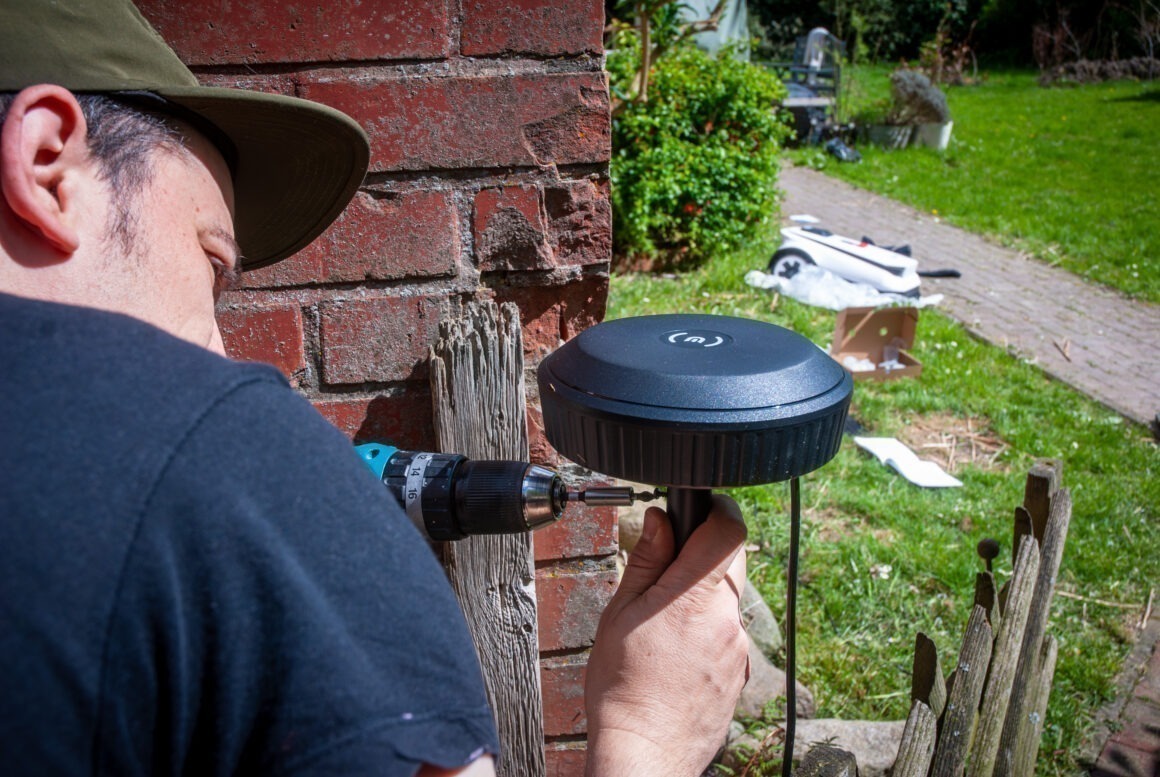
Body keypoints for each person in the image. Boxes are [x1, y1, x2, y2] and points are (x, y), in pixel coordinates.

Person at [0, 1, 750, 775]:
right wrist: (648, 735)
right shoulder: (236, 464)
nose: (226, 357)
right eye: (212, 263)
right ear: (51, 163)